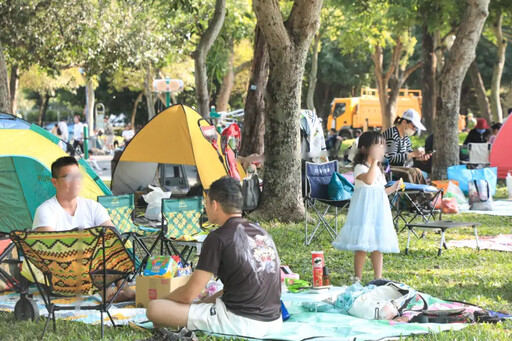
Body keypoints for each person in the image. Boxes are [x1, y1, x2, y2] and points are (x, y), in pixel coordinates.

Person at [146, 177, 282, 339]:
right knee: (197, 306)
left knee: (154, 308)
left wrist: (166, 301)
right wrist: (200, 305)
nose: (206, 208)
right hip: (274, 322)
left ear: (215, 204)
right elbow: (242, 285)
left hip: (240, 323)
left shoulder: (218, 237)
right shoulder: (261, 232)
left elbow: (188, 294)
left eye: (207, 203)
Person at [32, 156, 135, 302]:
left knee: (111, 245)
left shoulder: (93, 206)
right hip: (60, 274)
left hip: (94, 265)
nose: (76, 181)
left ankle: (123, 288)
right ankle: (107, 292)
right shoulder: (46, 210)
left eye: (78, 176)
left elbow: (113, 235)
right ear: (55, 182)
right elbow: (49, 251)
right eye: (69, 177)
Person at [332, 131, 400, 282]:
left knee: (378, 245)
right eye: (377, 145)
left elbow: (380, 190)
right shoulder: (360, 167)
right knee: (362, 245)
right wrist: (375, 162)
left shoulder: (379, 169)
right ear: (364, 148)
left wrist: (394, 188)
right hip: (364, 210)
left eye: (382, 146)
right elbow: (369, 181)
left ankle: (378, 277)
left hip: (378, 210)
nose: (381, 149)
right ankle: (358, 276)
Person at [382, 109, 431, 184]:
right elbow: (391, 158)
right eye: (413, 126)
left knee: (417, 171)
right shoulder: (393, 134)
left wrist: (419, 157)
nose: (414, 130)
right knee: (411, 172)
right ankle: (418, 195)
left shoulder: (406, 137)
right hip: (387, 168)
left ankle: (426, 194)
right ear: (404, 122)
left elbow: (409, 154)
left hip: (400, 168)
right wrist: (412, 154)